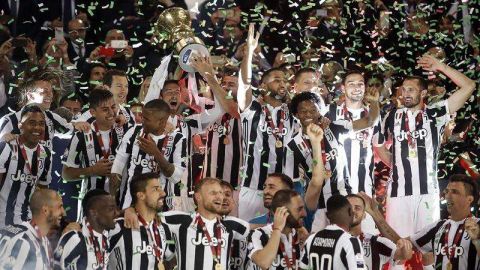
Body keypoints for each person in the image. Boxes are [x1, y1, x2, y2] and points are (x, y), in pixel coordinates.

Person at [376, 55, 477, 238]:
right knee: (398, 248)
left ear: (422, 94)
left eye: (411, 90)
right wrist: (397, 165)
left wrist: (441, 66)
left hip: (428, 193)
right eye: (403, 89)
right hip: (398, 194)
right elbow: (379, 147)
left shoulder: (436, 113)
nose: (405, 93)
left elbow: (469, 86)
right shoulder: (391, 116)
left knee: (427, 250)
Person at [237, 24, 296, 221]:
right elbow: (244, 83)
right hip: (253, 189)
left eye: (284, 81)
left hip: (285, 192)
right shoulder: (252, 108)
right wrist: (249, 53)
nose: (282, 84)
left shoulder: (293, 112)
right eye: (277, 80)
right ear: (263, 85)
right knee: (247, 243)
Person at [110, 99, 186, 209]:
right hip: (130, 204)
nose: (142, 120)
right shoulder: (134, 131)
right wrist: (112, 200)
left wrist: (156, 153)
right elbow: (117, 167)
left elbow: (175, 177)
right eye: (142, 116)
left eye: (147, 119)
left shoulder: (178, 139)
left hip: (160, 207)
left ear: (161, 122)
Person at [161, 177, 250, 270]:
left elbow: (259, 229)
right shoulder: (180, 220)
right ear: (198, 197)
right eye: (213, 193)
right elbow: (150, 218)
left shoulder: (231, 225)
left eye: (220, 193)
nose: (219, 197)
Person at [62, 89, 124, 218]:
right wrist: (93, 170)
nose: (112, 112)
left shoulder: (126, 131)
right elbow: (66, 174)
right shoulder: (81, 135)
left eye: (113, 107)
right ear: (92, 112)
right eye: (105, 109)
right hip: (92, 208)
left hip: (122, 205)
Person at [109, 172, 175, 269]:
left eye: (161, 188)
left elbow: (170, 259)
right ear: (141, 195)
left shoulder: (163, 228)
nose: (163, 193)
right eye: (156, 189)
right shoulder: (119, 226)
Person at [0, 104, 52, 227]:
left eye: (41, 123)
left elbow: (42, 190)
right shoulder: (6, 147)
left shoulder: (46, 153)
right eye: (32, 122)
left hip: (28, 222)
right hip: (2, 222)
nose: (37, 127)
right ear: (20, 125)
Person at [0, 78, 89, 148]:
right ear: (30, 95)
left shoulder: (52, 118)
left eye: (51, 91)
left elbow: (69, 129)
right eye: (45, 91)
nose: (50, 95)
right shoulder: (10, 121)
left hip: (43, 171)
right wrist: (2, 141)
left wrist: (78, 125)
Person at [53, 189, 118, 270]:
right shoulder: (75, 238)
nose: (117, 213)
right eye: (111, 209)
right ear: (94, 213)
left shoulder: (104, 238)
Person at [0, 189, 65, 269]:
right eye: (60, 207)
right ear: (45, 210)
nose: (63, 212)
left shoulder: (44, 240)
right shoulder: (22, 242)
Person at [346, 194, 413, 270]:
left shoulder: (376, 242)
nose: (352, 211)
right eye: (348, 208)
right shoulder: (332, 238)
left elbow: (403, 255)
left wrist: (405, 248)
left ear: (364, 215)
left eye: (357, 208)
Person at [300, 194, 365, 270]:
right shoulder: (351, 241)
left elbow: (302, 268)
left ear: (327, 215)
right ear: (351, 212)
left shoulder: (311, 239)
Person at [247, 189, 307, 270]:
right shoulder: (258, 234)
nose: (304, 213)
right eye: (299, 209)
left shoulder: (301, 237)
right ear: (282, 212)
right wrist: (277, 229)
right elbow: (264, 263)